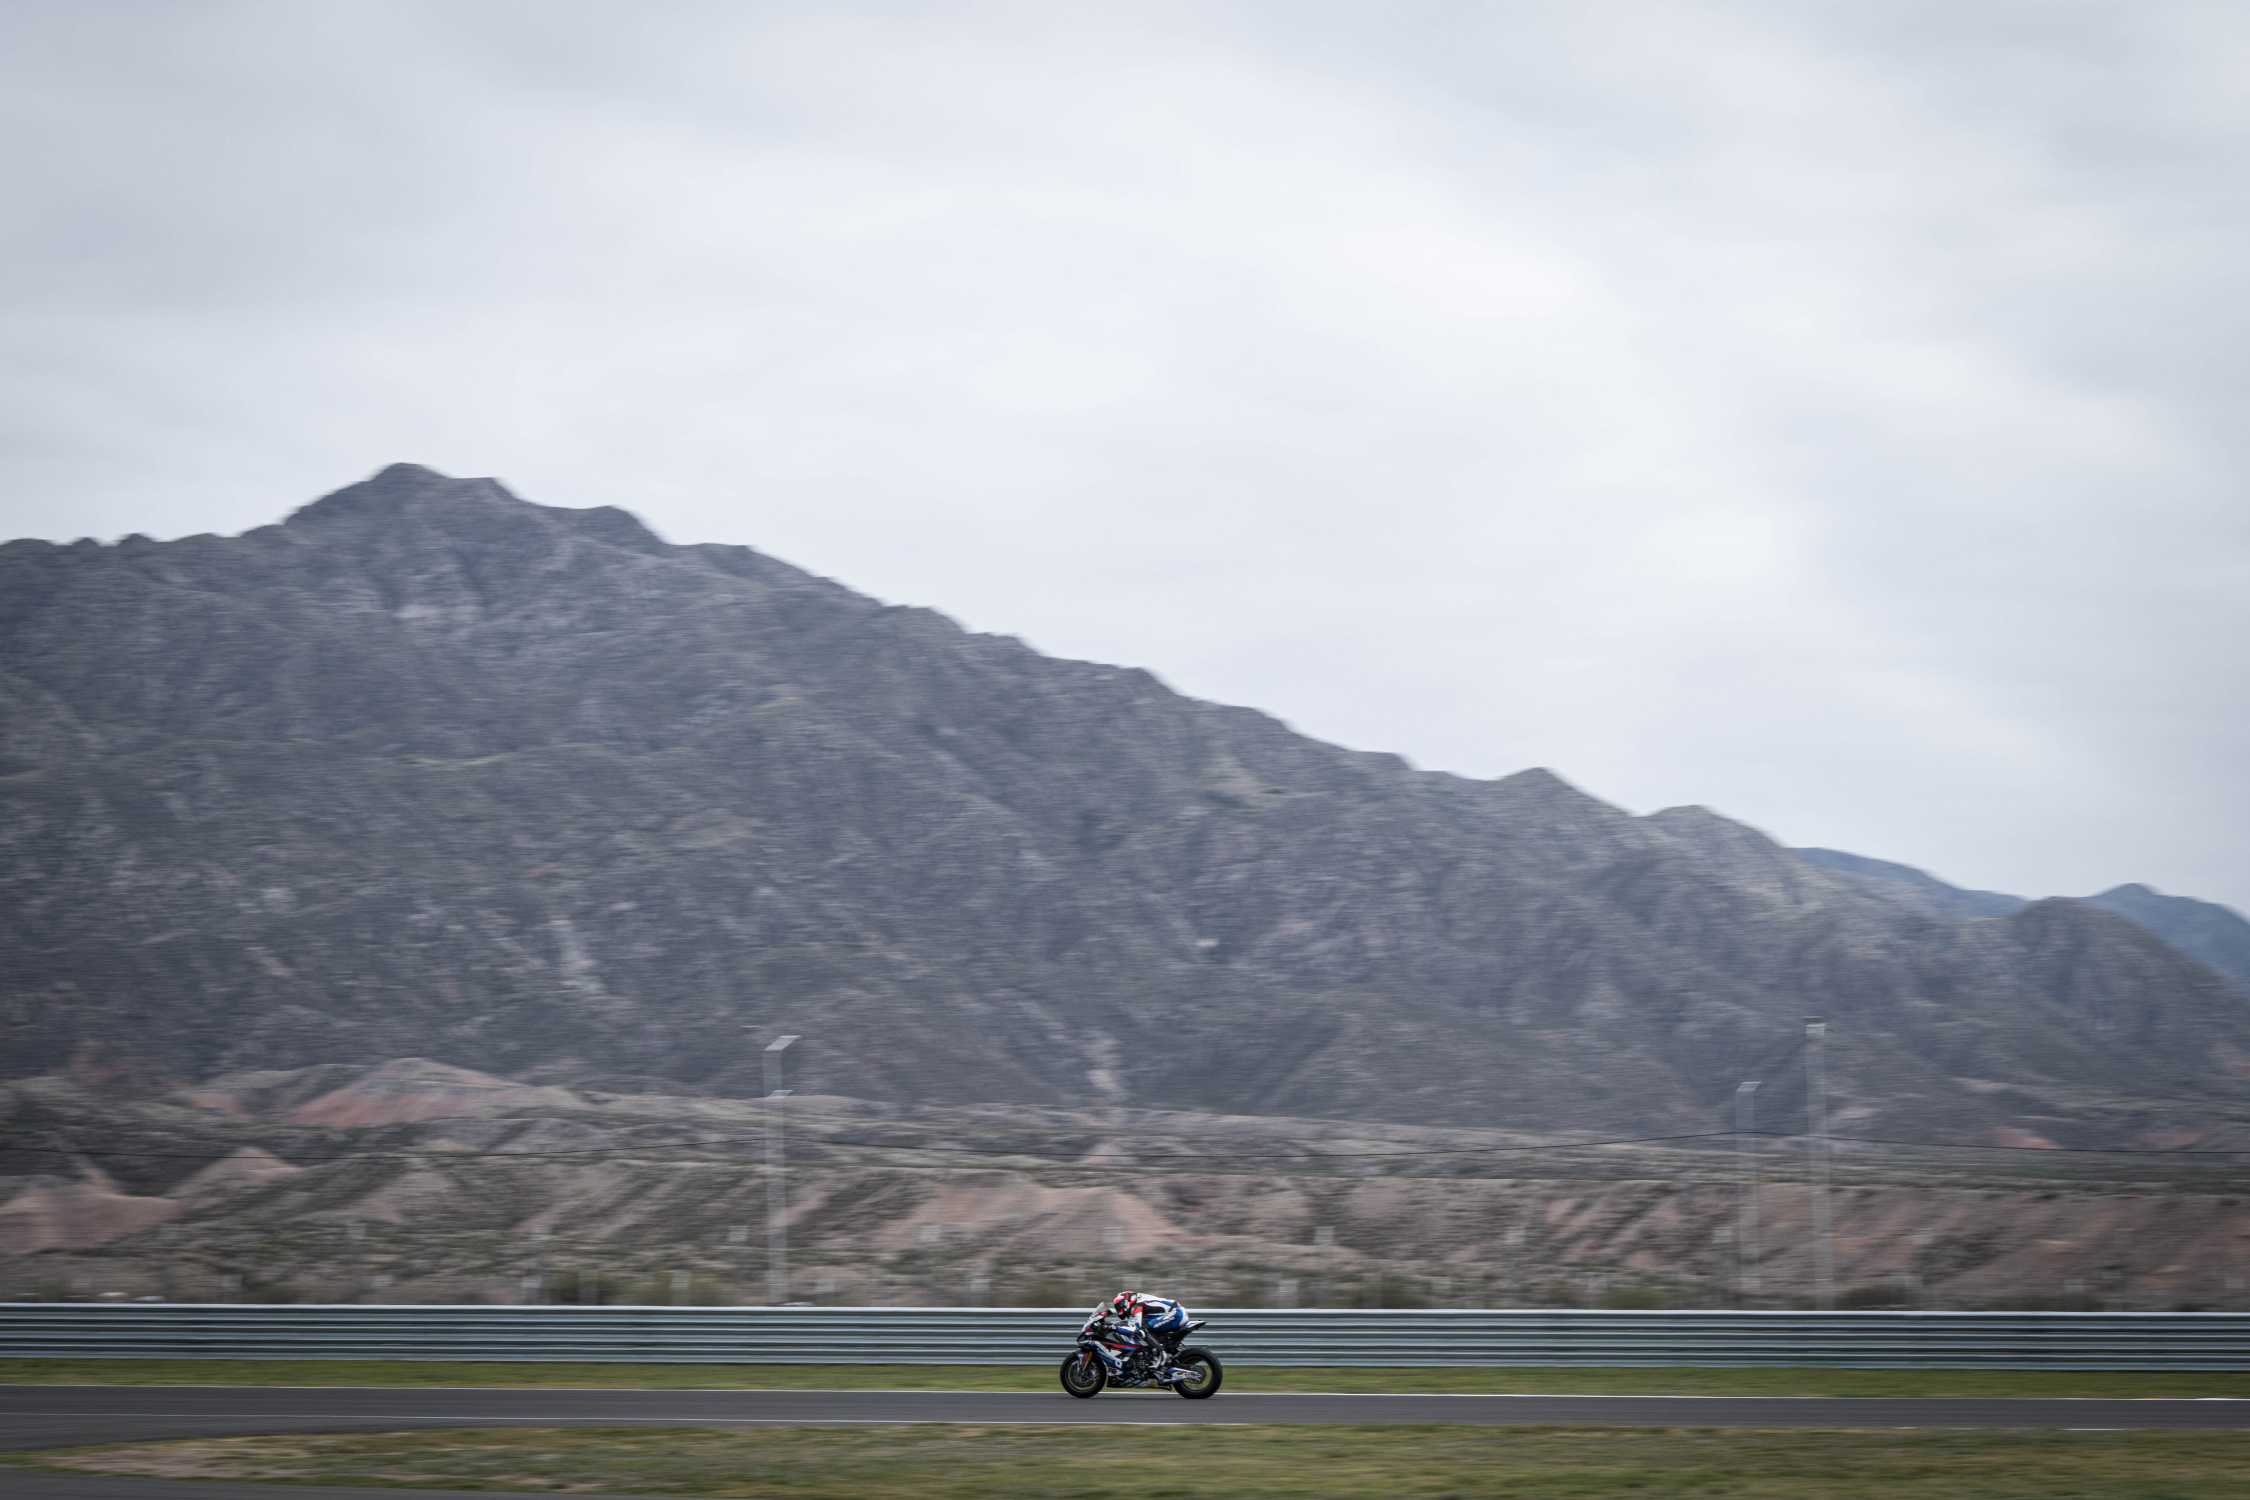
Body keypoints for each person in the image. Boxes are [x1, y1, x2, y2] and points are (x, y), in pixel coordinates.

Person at [1085, 1290, 1191, 1377]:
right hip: (1173, 1313)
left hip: (1176, 1313)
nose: (1119, 1310)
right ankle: (1156, 1354)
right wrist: (1115, 1327)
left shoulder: (1138, 1305)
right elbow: (1131, 1324)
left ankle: (1161, 1355)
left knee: (1142, 1329)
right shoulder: (1139, 1301)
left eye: (1119, 1307)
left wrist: (1113, 1327)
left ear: (1125, 1302)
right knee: (1143, 1327)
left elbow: (1136, 1328)